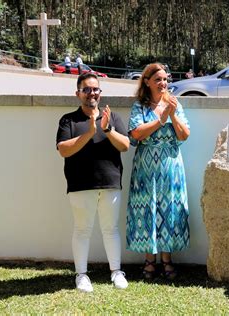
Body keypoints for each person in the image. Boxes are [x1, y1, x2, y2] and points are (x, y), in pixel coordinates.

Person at [56, 73, 130, 292]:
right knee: (82, 230)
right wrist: (89, 133)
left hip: (110, 182)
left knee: (111, 229)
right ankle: (81, 275)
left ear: (100, 92)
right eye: (86, 89)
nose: (92, 93)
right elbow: (63, 150)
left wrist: (107, 129)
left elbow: (125, 145)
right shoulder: (68, 120)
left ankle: (116, 272)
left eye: (95, 89)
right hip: (80, 184)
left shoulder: (112, 117)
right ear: (78, 93)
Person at [126, 63, 190, 280]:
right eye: (158, 80)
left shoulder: (175, 104)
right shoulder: (140, 107)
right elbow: (136, 133)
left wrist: (172, 115)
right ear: (147, 82)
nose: (163, 83)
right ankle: (149, 260)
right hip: (146, 166)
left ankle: (167, 260)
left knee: (169, 207)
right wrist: (160, 119)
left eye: (165, 79)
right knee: (147, 207)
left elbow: (184, 135)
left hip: (170, 164)